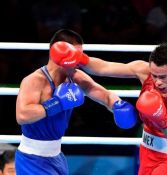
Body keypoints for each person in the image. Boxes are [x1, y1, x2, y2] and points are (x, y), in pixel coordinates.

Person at [56, 43, 167, 174]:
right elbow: (104, 67)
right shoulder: (144, 71)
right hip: (147, 150)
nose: (157, 82)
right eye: (154, 75)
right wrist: (81, 59)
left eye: (163, 77)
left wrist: (160, 118)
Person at [15, 29, 137, 175]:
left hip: (56, 157)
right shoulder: (35, 80)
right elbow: (22, 115)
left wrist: (117, 105)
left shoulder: (75, 76)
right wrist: (57, 103)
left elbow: (104, 94)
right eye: (74, 54)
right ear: (57, 52)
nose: (79, 61)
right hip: (32, 159)